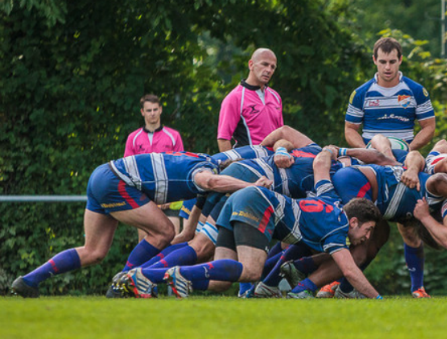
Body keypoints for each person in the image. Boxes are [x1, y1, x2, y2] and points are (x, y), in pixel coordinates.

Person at [11, 152, 270, 298]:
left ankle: (29, 281)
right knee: (163, 231)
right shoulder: (204, 169)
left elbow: (188, 234)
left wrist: (182, 247)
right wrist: (251, 186)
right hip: (116, 181)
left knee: (94, 251)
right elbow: (212, 183)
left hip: (103, 174)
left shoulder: (204, 168)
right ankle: (123, 285)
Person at [156, 149, 385, 299]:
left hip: (238, 196)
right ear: (353, 221)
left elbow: (321, 162)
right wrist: (378, 299)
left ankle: (147, 276)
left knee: (220, 281)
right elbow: (349, 270)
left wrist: (335, 151)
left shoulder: (329, 196)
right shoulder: (338, 228)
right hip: (256, 200)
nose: (367, 237)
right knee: (251, 270)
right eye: (368, 230)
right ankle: (181, 272)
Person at [344, 37, 435, 151]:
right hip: (371, 160)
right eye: (383, 62)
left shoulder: (417, 91)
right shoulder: (360, 93)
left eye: (392, 62)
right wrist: (366, 152)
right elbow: (350, 129)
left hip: (405, 158)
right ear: (374, 60)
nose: (387, 67)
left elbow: (429, 126)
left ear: (400, 60)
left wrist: (409, 149)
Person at [125, 94, 186, 242]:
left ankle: (170, 266)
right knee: (145, 243)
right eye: (148, 110)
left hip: (170, 198)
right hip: (144, 198)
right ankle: (144, 267)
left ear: (160, 110)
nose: (152, 113)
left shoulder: (173, 136)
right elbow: (128, 170)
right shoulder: (133, 138)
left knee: (173, 241)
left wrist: (171, 197)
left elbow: (181, 167)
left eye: (155, 109)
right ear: (142, 112)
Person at [217, 48, 283, 152]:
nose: (269, 70)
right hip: (249, 163)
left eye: (272, 67)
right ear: (251, 65)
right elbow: (223, 138)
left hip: (274, 162)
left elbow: (281, 134)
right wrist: (231, 165)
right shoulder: (235, 97)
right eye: (265, 64)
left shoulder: (275, 96)